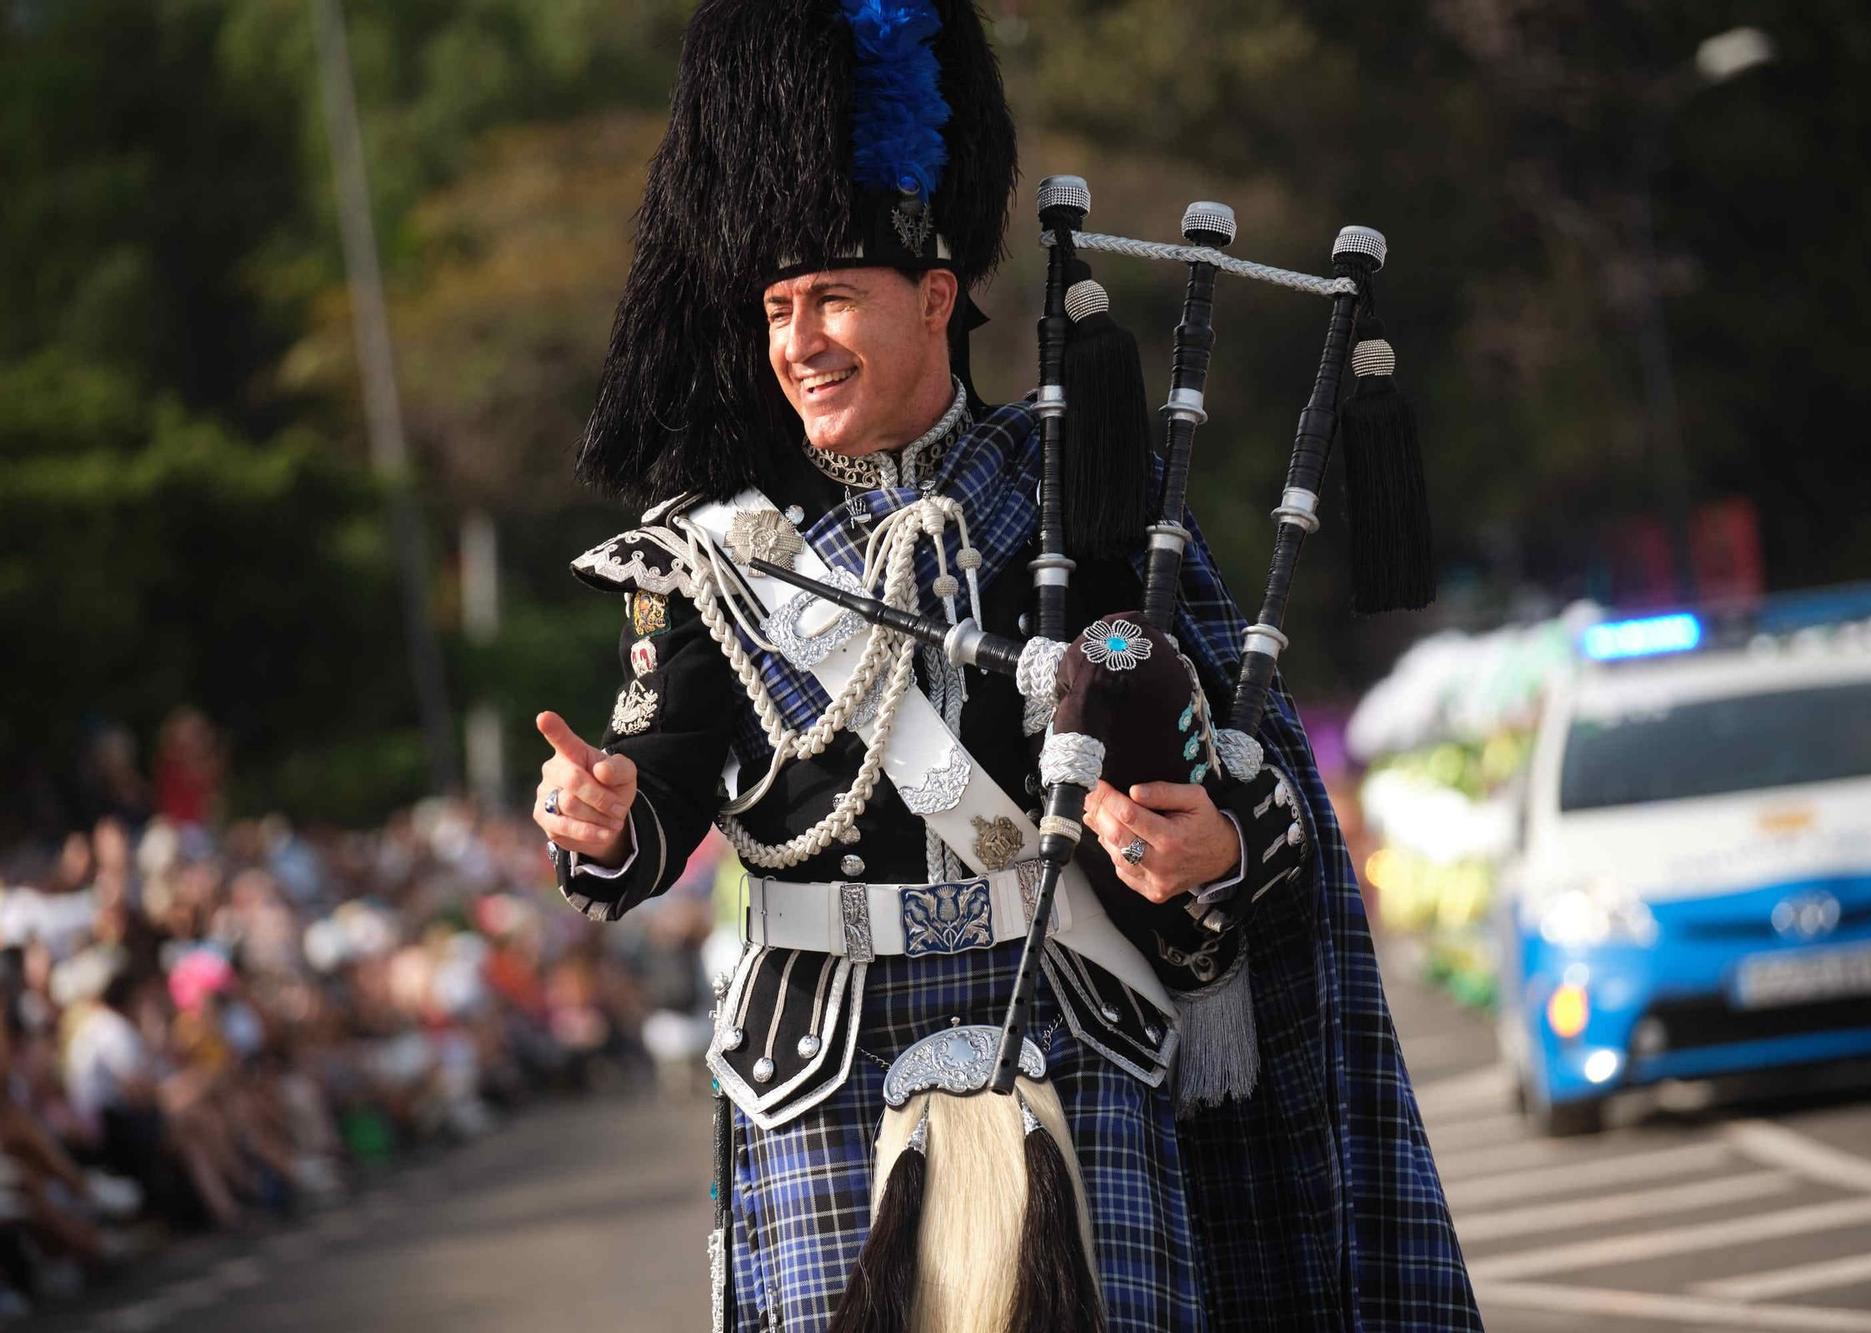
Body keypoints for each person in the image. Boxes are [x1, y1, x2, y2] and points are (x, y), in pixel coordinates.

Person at [532, 3, 1477, 1330]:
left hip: (1071, 1023)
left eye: (835, 300)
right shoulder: (714, 544)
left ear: (932, 301)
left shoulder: (1080, 485)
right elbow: (664, 773)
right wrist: (608, 813)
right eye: (779, 307)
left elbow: (1238, 765)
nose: (800, 341)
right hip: (817, 1065)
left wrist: (1215, 838)